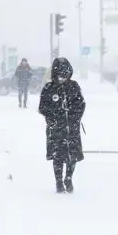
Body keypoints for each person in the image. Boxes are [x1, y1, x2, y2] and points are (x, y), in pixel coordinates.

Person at [38, 57, 85, 193]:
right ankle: (58, 181)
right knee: (57, 156)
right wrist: (54, 116)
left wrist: (74, 117)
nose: (62, 79)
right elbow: (42, 107)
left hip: (72, 128)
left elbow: (81, 104)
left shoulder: (74, 86)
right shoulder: (49, 88)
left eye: (65, 75)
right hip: (56, 129)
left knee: (72, 156)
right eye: (60, 76)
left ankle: (68, 178)